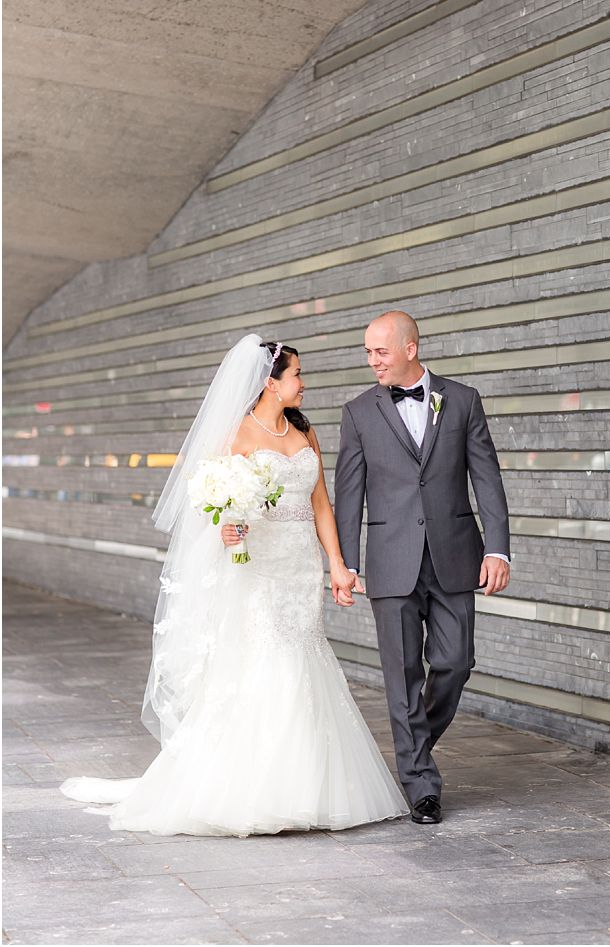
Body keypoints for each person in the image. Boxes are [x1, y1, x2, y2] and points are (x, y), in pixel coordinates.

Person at [60, 336, 408, 835]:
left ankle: (305, 788)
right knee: (273, 661)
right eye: (296, 375)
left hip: (300, 566)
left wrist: (336, 562)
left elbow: (321, 506)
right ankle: (262, 793)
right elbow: (214, 506)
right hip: (259, 567)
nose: (303, 384)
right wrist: (227, 528)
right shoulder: (237, 435)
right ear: (271, 382)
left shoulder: (305, 431)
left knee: (304, 656)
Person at [334, 310, 511, 825]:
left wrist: (497, 549)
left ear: (410, 348)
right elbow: (349, 493)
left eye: (380, 351)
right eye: (368, 352)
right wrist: (344, 563)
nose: (372, 361)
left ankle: (412, 748)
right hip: (390, 561)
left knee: (456, 662)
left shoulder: (462, 400)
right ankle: (420, 784)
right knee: (402, 674)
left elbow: (487, 478)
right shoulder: (358, 412)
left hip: (456, 553)